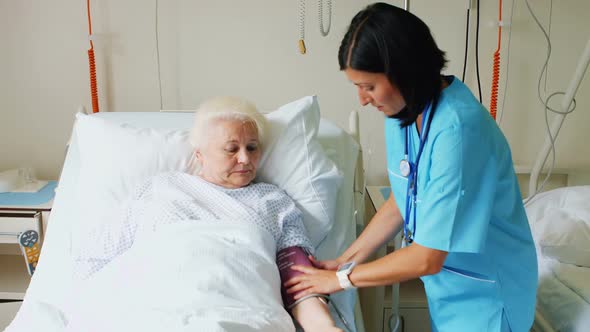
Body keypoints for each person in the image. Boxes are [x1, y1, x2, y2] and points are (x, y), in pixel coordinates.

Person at [285, 3, 538, 332]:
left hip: (489, 293)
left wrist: (340, 279)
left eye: (369, 86)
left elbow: (426, 258)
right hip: (450, 289)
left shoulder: (458, 130)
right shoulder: (402, 113)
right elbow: (404, 199)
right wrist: (345, 260)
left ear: (403, 72)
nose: (363, 100)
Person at [70, 97, 342, 332]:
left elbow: (299, 278)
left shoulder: (273, 201)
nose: (245, 159)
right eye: (231, 149)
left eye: (252, 147)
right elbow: (96, 258)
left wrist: (324, 327)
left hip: (242, 313)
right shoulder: (161, 189)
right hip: (156, 311)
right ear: (199, 154)